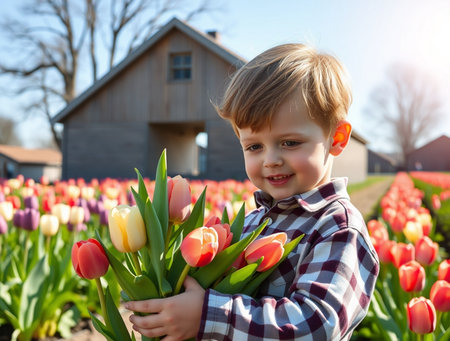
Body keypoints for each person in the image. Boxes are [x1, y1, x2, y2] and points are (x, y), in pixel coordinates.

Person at [124, 43, 379, 340]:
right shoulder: (252, 222)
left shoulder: (337, 227)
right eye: (254, 146)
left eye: (290, 142)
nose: (271, 159)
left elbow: (317, 325)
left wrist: (208, 316)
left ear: (336, 137)